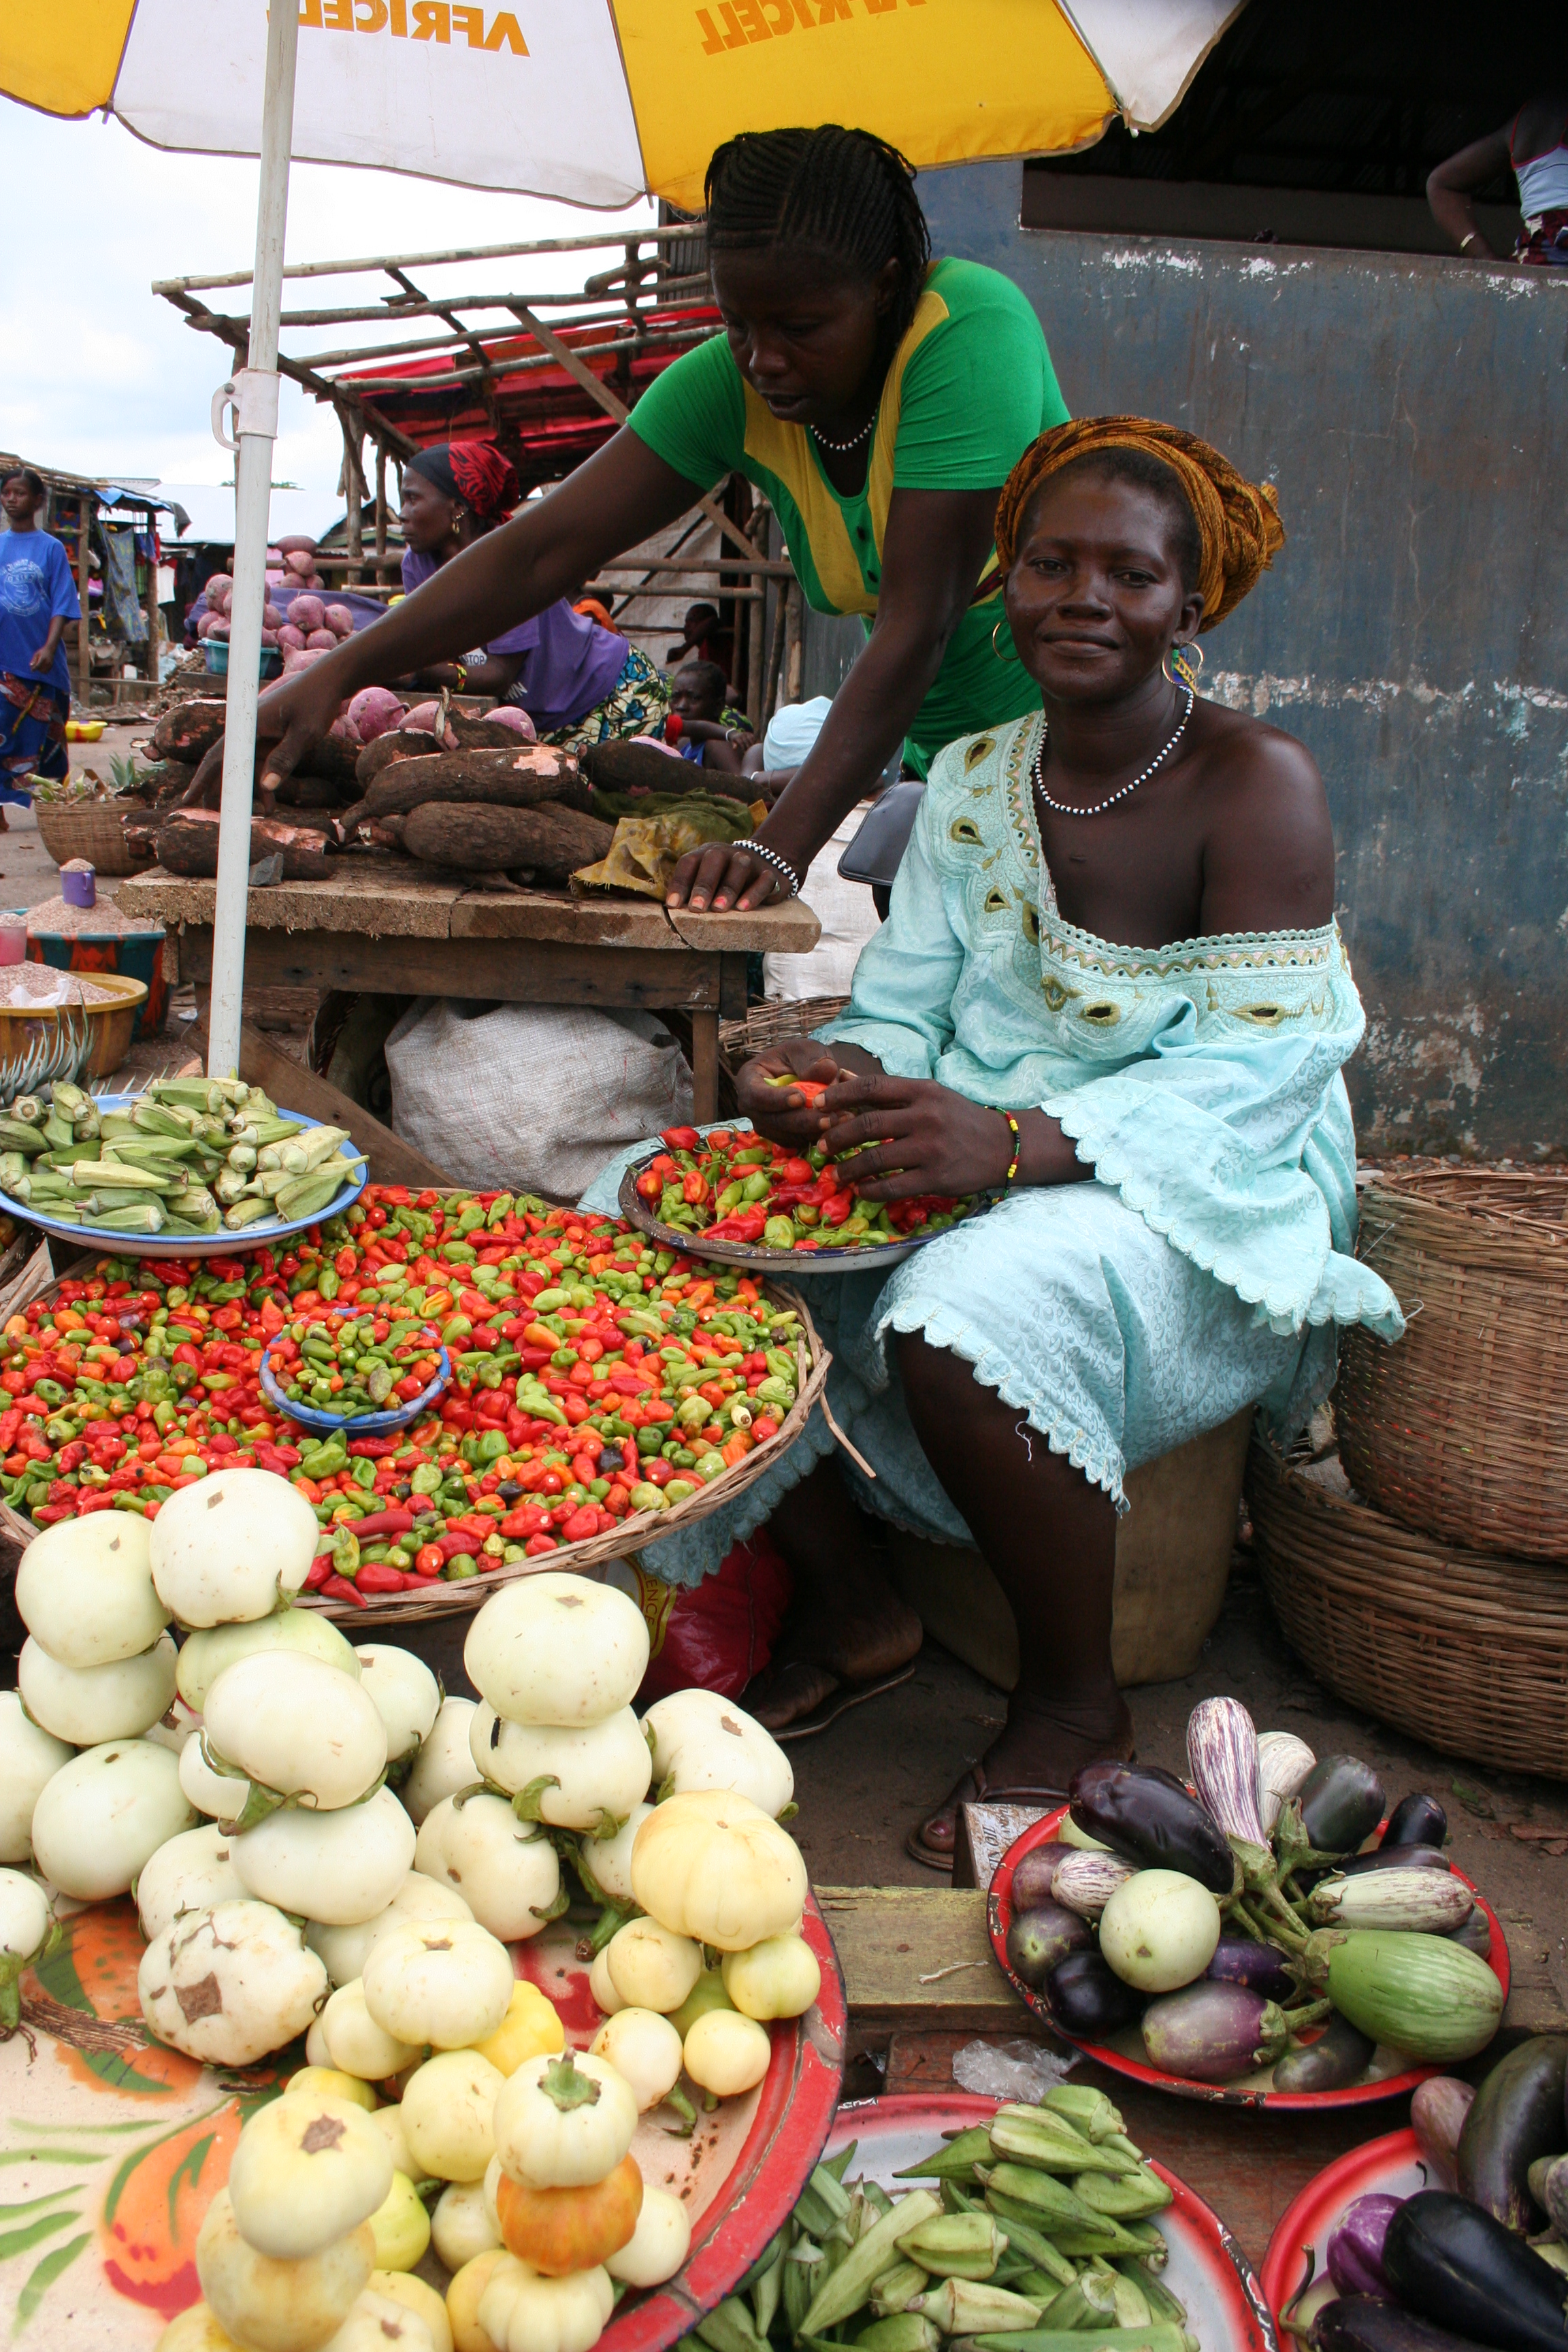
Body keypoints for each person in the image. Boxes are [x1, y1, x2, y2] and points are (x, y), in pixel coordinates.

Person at [581, 416, 1404, 1865]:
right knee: (641, 1216)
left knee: (962, 1313)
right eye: (1050, 564)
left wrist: (1017, 1138)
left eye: (1130, 576)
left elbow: (1264, 1074)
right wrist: (837, 1077)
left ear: (1189, 606)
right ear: (1005, 585)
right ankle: (853, 1603)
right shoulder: (966, 776)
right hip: (983, 1135)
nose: (1083, 597)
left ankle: (1075, 1705)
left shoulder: (1253, 782)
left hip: (1202, 1178)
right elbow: (904, 1016)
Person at [210, 127, 1068, 904]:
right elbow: (539, 552)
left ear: (884, 289)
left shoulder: (966, 335)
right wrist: (331, 676)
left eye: (802, 326)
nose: (764, 359)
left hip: (1090, 762)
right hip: (949, 768)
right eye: (738, 324)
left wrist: (779, 850)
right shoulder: (727, 388)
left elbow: (916, 627)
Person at [395, 444, 668, 751]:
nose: (402, 515)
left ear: (458, 506)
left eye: (413, 499)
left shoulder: (505, 563)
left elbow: (500, 675)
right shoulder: (417, 564)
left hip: (614, 696)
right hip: (538, 719)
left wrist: (423, 669)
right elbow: (428, 645)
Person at [0, 468, 81, 830]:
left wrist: (49, 648)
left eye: (19, 493)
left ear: (37, 500)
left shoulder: (51, 549)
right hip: (4, 659)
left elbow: (62, 604)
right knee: (2, 732)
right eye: (6, 493)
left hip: (41, 662)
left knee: (49, 743)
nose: (11, 499)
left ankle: (54, 814)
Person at [1428, 95, 1568, 265]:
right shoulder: (1540, 117)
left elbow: (1441, 185)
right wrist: (1487, 263)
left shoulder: (1528, 120)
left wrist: (1486, 261)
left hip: (1537, 264)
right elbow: (1441, 185)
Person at [658, 658, 753, 774]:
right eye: (676, 697)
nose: (681, 706)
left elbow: (745, 788)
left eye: (694, 698)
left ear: (718, 706)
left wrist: (730, 733)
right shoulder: (684, 744)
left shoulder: (718, 746)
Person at [666, 600, 734, 681]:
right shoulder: (703, 650)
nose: (686, 626)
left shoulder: (715, 642)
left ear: (703, 623)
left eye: (691, 621)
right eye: (686, 622)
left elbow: (713, 621)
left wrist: (684, 648)